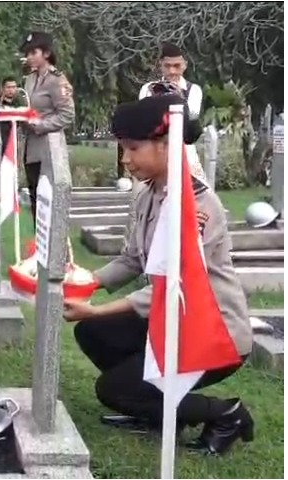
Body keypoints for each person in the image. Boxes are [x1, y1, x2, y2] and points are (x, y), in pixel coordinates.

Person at [63, 94, 253, 456]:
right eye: (123, 148)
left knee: (114, 389)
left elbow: (174, 284)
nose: (125, 159)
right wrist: (87, 281)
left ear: (166, 145)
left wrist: (97, 308)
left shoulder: (197, 205)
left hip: (214, 333)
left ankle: (226, 414)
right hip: (174, 321)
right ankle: (157, 410)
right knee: (93, 332)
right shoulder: (149, 194)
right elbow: (133, 259)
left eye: (133, 148)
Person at [20, 31, 75, 225]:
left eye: (33, 52)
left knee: (48, 202)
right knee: (36, 200)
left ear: (46, 53)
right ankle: (38, 242)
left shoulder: (56, 80)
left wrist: (41, 125)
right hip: (31, 148)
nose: (29, 57)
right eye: (27, 53)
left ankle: (55, 244)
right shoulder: (30, 79)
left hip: (50, 149)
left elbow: (67, 114)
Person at [138, 42, 206, 183]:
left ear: (185, 65)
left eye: (177, 66)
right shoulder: (148, 89)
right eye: (167, 66)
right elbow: (144, 122)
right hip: (154, 152)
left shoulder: (193, 90)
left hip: (185, 152)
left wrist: (179, 97)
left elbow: (190, 122)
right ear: (161, 65)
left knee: (197, 190)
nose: (172, 71)